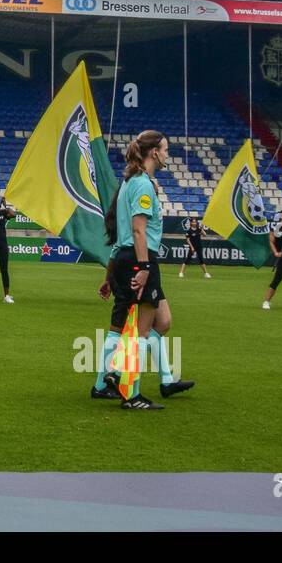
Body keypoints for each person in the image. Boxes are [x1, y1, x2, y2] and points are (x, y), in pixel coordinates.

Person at [100, 130, 195, 410]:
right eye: (165, 149)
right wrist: (143, 267)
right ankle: (129, 392)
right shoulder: (141, 184)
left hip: (130, 258)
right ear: (154, 152)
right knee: (140, 332)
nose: (167, 155)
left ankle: (119, 375)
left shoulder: (133, 182)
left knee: (160, 322)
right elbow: (138, 230)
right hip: (141, 258)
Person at [178, 213, 210, 279]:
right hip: (192, 247)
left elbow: (205, 235)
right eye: (193, 222)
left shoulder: (199, 229)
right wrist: (192, 247)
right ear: (191, 223)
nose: (194, 223)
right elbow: (187, 239)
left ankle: (206, 273)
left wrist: (202, 229)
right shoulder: (189, 231)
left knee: (201, 260)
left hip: (199, 246)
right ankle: (181, 272)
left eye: (195, 222)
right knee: (187, 259)